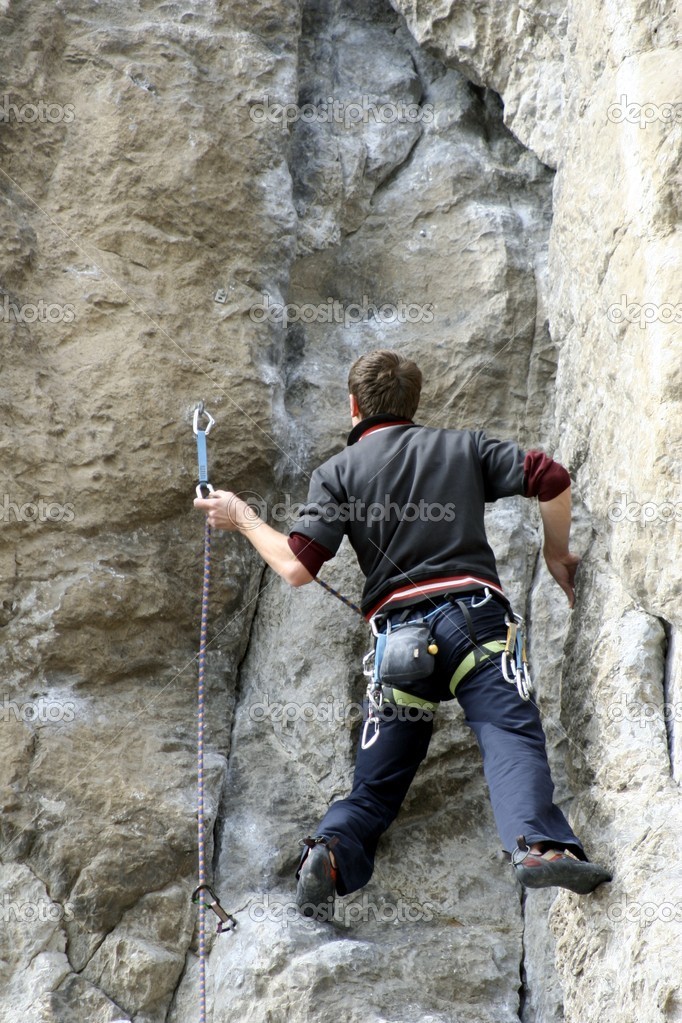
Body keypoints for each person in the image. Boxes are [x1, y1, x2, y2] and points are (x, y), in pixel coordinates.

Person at [194, 349, 612, 919]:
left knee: (376, 785)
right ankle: (540, 848)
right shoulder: (462, 447)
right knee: (509, 734)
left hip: (400, 644)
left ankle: (332, 851)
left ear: (353, 406)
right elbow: (550, 477)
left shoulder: (338, 473)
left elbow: (295, 567)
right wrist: (557, 553)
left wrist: (241, 515)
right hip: (476, 624)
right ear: (414, 403)